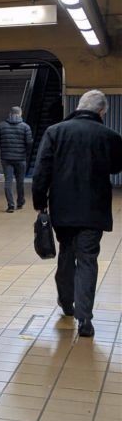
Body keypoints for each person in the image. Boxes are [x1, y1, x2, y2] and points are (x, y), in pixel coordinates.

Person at [33, 89, 122, 338]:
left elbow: (42, 172)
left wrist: (41, 204)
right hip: (94, 210)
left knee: (66, 254)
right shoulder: (110, 136)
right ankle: (85, 320)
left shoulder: (55, 132)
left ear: (80, 106)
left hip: (63, 208)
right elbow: (116, 166)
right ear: (102, 111)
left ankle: (66, 303)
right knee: (88, 260)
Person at [0, 106, 33, 212]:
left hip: (6, 158)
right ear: (20, 114)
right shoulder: (26, 127)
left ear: (10, 114)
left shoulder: (0, 126)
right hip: (20, 158)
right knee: (20, 181)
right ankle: (20, 202)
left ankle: (10, 205)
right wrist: (25, 153)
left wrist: (4, 145)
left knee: (8, 182)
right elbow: (29, 143)